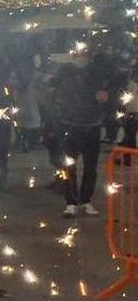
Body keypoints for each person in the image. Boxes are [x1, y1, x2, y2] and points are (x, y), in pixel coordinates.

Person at [51, 51, 109, 218]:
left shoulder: (97, 73)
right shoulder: (65, 73)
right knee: (69, 165)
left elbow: (109, 91)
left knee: (91, 167)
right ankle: (70, 202)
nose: (82, 58)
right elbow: (53, 92)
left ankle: (86, 200)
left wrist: (104, 98)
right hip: (71, 126)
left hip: (92, 126)